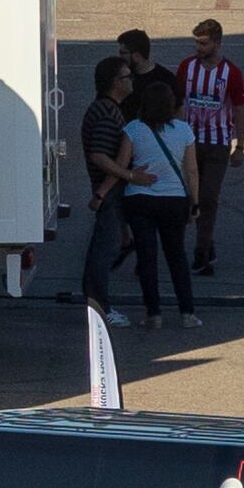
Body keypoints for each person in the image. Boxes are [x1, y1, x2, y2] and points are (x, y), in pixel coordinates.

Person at [115, 77, 199, 326]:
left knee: (147, 257)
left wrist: (132, 174)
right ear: (170, 105)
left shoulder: (133, 129)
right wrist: (195, 203)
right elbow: (192, 171)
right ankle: (187, 313)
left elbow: (121, 165)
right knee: (176, 256)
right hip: (174, 200)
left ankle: (153, 314)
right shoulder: (184, 131)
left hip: (139, 198)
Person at [173, 19, 244, 277]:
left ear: (217, 43)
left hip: (218, 143)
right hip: (190, 141)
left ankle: (201, 251)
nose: (198, 47)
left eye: (203, 43)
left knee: (208, 198)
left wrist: (240, 145)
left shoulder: (232, 73)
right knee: (192, 197)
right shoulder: (186, 67)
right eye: (196, 42)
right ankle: (208, 244)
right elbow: (177, 102)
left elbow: (239, 110)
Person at [72, 53, 139, 308]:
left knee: (108, 246)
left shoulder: (108, 109)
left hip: (109, 191)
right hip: (109, 192)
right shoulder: (106, 113)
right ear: (115, 83)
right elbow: (100, 156)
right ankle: (100, 306)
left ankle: (97, 300)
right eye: (127, 76)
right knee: (104, 250)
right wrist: (126, 177)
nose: (131, 80)